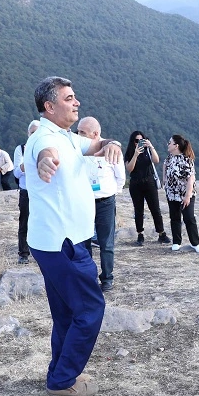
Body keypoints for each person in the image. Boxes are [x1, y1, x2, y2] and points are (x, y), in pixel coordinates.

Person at [25, 76, 122, 396]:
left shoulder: (67, 136)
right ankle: (63, 380)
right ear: (49, 107)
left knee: (67, 313)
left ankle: (60, 372)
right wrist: (44, 162)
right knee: (91, 308)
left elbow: (95, 144)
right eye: (69, 98)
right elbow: (45, 153)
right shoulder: (44, 138)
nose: (76, 102)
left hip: (60, 242)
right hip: (62, 244)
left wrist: (111, 143)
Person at [75, 116, 126, 291]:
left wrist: (110, 193)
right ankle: (88, 278)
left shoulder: (111, 151)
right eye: (78, 131)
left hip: (105, 202)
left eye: (82, 132)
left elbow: (120, 177)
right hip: (84, 201)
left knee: (106, 243)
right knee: (84, 242)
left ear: (95, 134)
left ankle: (107, 278)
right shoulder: (77, 149)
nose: (78, 135)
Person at [124, 131, 170, 246]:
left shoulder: (148, 151)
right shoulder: (130, 152)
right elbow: (129, 169)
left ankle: (161, 233)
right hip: (135, 183)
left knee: (155, 209)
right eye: (137, 141)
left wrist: (151, 147)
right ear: (133, 142)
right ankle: (140, 234)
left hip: (149, 181)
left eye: (142, 140)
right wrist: (135, 154)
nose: (139, 142)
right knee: (138, 210)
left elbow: (156, 160)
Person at [164, 135, 199, 253]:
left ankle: (195, 243)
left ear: (176, 146)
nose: (168, 144)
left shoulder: (186, 160)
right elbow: (164, 165)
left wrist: (187, 196)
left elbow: (191, 179)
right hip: (172, 194)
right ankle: (176, 242)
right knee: (174, 217)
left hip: (185, 194)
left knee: (189, 218)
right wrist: (164, 179)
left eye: (170, 143)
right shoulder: (170, 157)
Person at [13, 120, 40, 264]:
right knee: (24, 222)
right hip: (27, 191)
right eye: (32, 132)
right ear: (28, 134)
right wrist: (27, 163)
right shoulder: (21, 150)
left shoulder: (47, 147)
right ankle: (23, 253)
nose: (35, 135)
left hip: (43, 191)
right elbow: (16, 173)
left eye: (38, 132)